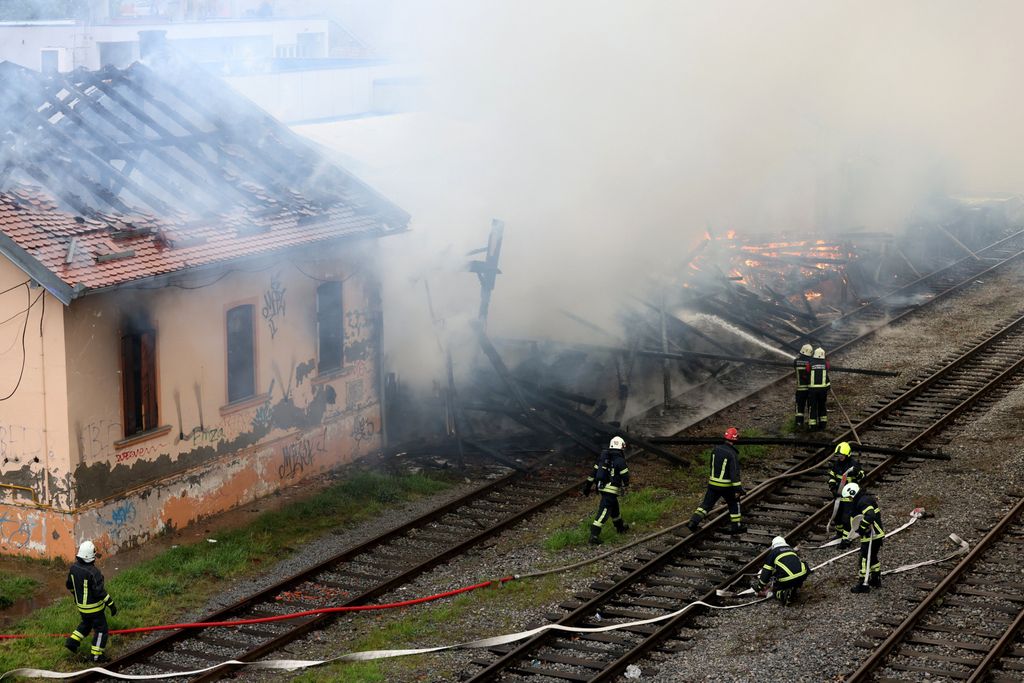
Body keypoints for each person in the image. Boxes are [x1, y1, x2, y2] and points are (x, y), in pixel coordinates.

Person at [686, 427, 746, 534]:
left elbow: (712, 466)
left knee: (706, 505)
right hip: (726, 486)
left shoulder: (715, 450)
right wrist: (738, 489)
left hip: (713, 484)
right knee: (734, 503)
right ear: (735, 439)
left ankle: (693, 522)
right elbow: (734, 474)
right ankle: (736, 526)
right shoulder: (732, 454)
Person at [65, 540, 117, 662]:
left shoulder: (73, 568)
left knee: (86, 624)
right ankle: (96, 655)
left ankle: (72, 641)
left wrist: (75, 596)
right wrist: (111, 604)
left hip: (81, 608)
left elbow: (69, 585)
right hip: (95, 609)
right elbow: (100, 592)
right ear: (90, 558)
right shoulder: (93, 572)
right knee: (101, 630)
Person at [583, 436, 630, 545]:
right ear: (621, 447)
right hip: (611, 490)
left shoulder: (603, 458)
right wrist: (626, 484)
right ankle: (594, 536)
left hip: (602, 487)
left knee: (615, 509)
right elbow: (625, 475)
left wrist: (587, 487)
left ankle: (620, 528)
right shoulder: (619, 459)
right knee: (604, 512)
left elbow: (593, 474)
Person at [839, 483, 885, 593]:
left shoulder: (862, 502)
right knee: (872, 557)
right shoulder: (863, 499)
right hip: (875, 535)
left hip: (872, 535)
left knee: (863, 559)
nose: (849, 500)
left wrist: (862, 528)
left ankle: (863, 583)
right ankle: (875, 579)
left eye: (849, 497)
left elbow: (870, 515)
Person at [754, 536, 809, 606]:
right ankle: (793, 589)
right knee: (792, 578)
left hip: (788, 579)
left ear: (773, 545)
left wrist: (759, 586)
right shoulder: (791, 550)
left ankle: (783, 594)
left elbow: (766, 572)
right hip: (802, 575)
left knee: (776, 589)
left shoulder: (773, 553)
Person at [808, 347, 830, 431]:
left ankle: (812, 426)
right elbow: (827, 371)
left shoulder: (810, 363)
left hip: (812, 390)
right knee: (822, 406)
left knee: (813, 407)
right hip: (823, 390)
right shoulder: (826, 364)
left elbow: (807, 371)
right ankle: (823, 425)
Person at [793, 343, 814, 429]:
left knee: (799, 407)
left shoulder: (796, 361)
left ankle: (798, 423)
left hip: (800, 389)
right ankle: (810, 423)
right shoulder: (810, 362)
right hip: (809, 389)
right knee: (810, 406)